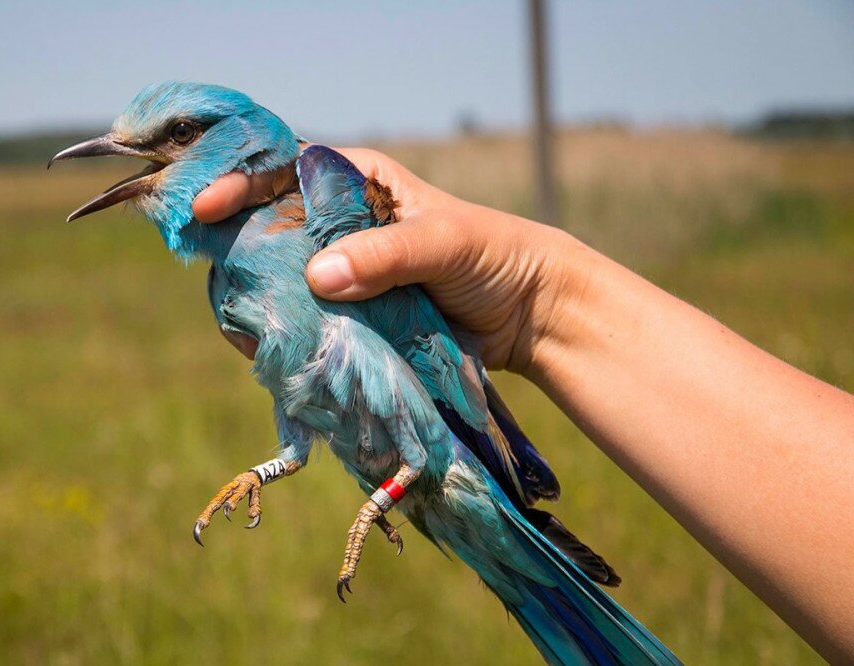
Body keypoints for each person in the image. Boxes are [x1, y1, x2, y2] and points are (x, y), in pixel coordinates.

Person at [192, 147, 854, 663]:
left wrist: (535, 296)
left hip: (443, 453)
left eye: (181, 138)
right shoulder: (225, 285)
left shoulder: (320, 187)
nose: (160, 164)